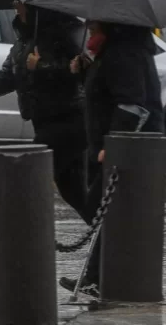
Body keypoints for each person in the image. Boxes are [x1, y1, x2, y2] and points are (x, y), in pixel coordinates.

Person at [0, 2, 93, 260]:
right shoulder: (24, 40)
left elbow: (81, 71)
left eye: (20, 1)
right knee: (74, 192)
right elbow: (5, 79)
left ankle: (16, 256)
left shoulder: (65, 32)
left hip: (68, 123)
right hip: (45, 122)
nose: (14, 5)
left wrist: (43, 66)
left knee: (27, 184)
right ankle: (111, 240)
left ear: (35, 5)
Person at [59, 21, 165, 296]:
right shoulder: (110, 53)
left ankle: (102, 276)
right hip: (109, 146)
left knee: (101, 206)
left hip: (127, 148)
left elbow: (132, 104)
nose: (89, 31)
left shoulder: (123, 54)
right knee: (105, 210)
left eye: (94, 28)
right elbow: (103, 95)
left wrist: (117, 141)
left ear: (112, 27)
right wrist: (84, 72)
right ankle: (96, 278)